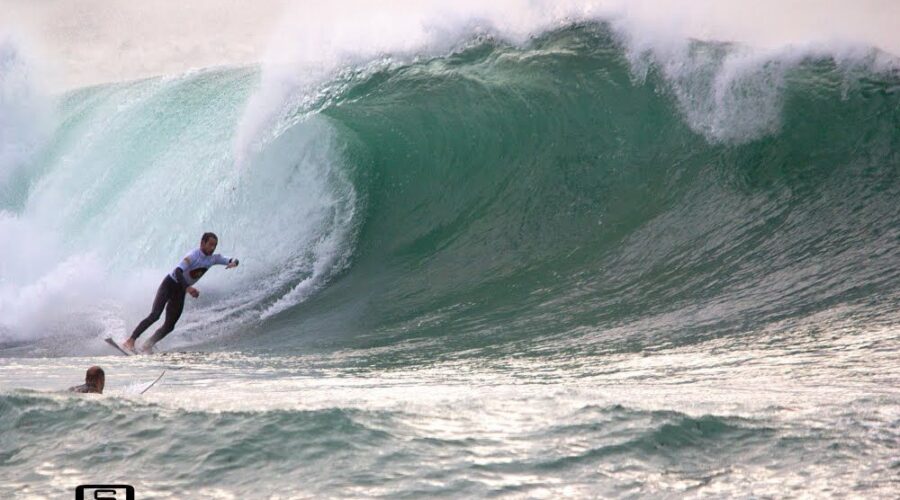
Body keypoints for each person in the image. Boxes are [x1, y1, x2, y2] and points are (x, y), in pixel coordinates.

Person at [124, 232, 239, 353]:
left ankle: (148, 344)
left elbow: (231, 259)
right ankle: (130, 340)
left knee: (169, 326)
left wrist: (234, 263)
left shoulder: (213, 259)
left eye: (215, 245)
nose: (212, 248)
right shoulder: (193, 255)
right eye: (210, 244)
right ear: (202, 243)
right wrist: (188, 288)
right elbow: (178, 271)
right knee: (155, 315)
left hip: (180, 291)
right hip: (170, 284)